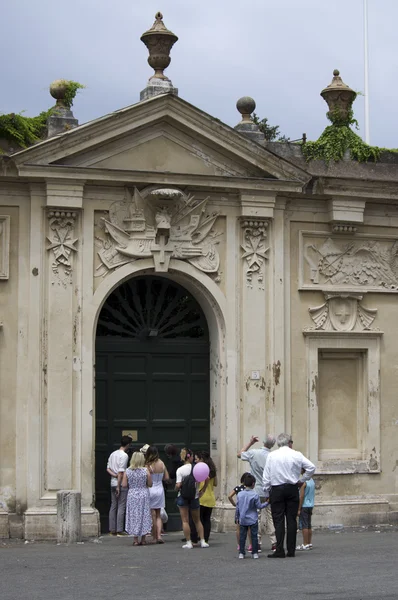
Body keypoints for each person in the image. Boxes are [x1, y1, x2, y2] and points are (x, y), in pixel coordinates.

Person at [262, 433, 315, 558]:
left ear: (278, 443)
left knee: (278, 520)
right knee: (291, 520)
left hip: (277, 489)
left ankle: (279, 549)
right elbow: (311, 467)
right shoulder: (297, 454)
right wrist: (302, 480)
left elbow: (266, 476)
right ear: (289, 442)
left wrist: (266, 492)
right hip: (292, 488)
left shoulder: (272, 455)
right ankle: (291, 550)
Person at [237, 434, 277, 552]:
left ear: (263, 442)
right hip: (268, 490)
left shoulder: (254, 453)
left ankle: (257, 542)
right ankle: (274, 542)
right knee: (270, 517)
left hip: (255, 490)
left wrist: (251, 442)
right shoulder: (272, 456)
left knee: (257, 517)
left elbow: (239, 454)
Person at [175, 448, 209, 549]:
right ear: (190, 457)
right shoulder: (196, 468)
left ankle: (189, 542)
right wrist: (202, 490)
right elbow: (206, 478)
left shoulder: (180, 470)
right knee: (197, 520)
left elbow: (178, 484)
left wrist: (177, 487)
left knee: (185, 520)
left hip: (183, 496)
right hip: (195, 496)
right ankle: (203, 541)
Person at [122, 451, 153, 546]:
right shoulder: (145, 471)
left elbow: (124, 485)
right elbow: (150, 484)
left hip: (132, 494)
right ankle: (143, 539)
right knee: (144, 514)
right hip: (143, 494)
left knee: (134, 515)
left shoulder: (127, 471)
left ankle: (135, 539)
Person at [236, 473, 268, 559]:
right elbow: (259, 506)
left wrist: (237, 517)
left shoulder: (240, 494)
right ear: (253, 484)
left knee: (242, 537)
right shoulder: (255, 495)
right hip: (253, 518)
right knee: (254, 536)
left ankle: (241, 553)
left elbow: (238, 507)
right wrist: (267, 503)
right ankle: (254, 553)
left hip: (242, 518)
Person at [190, 451, 217, 544]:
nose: (195, 461)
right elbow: (215, 483)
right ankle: (206, 538)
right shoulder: (212, 470)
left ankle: (197, 537)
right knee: (207, 519)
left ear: (201, 459)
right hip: (210, 497)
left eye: (197, 459)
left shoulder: (200, 470)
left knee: (197, 519)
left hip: (201, 497)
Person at [106, 435, 131, 536]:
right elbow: (121, 472)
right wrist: (118, 486)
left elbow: (108, 468)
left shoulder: (113, 454)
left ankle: (112, 529)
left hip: (112, 481)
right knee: (121, 506)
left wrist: (114, 476)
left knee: (113, 506)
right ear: (128, 444)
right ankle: (120, 529)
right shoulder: (124, 456)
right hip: (119, 484)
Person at [145, 445, 169, 544]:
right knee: (158, 514)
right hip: (160, 489)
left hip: (150, 489)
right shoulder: (162, 463)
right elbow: (166, 478)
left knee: (152, 515)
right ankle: (159, 536)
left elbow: (146, 478)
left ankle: (154, 536)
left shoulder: (147, 465)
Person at [228, 472, 252, 550]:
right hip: (248, 509)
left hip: (239, 509)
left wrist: (234, 504)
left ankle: (239, 545)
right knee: (249, 528)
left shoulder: (238, 487)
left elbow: (229, 496)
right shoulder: (249, 488)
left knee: (238, 528)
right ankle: (251, 544)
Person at [296, 468, 315, 550]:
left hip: (304, 505)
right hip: (310, 504)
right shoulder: (312, 481)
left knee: (304, 525)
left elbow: (301, 496)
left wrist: (299, 508)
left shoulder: (304, 483)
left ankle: (305, 543)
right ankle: (309, 542)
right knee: (309, 525)